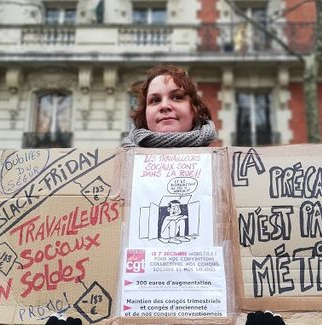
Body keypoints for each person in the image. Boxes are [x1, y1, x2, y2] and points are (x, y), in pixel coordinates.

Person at [47, 65, 283, 324]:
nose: (165, 105)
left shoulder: (227, 175)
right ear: (144, 114)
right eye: (154, 100)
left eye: (177, 97)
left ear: (194, 109)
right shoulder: (115, 178)